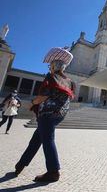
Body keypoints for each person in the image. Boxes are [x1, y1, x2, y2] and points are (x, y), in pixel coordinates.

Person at [14, 47, 75, 182]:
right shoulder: (69, 81)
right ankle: (20, 165)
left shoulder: (52, 77)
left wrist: (32, 103)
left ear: (54, 66)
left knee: (48, 140)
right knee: (36, 140)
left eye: (50, 65)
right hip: (60, 114)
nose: (49, 68)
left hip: (47, 114)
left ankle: (53, 172)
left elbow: (44, 95)